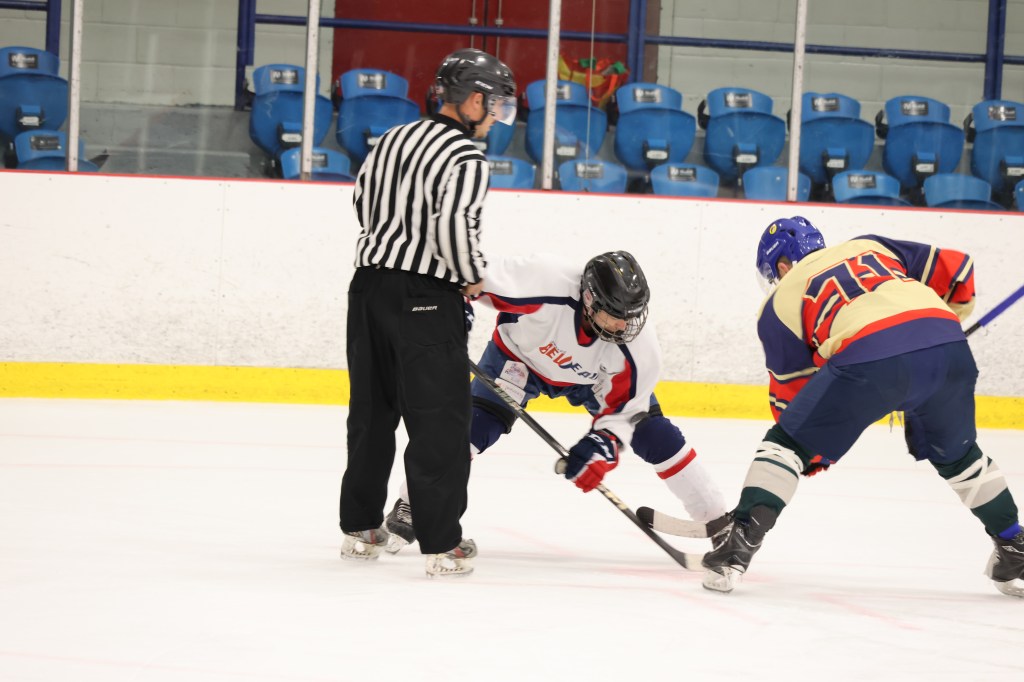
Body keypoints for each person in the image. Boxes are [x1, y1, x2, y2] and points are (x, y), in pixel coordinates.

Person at [701, 216, 1024, 597]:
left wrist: (810, 453)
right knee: (960, 457)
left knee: (783, 446)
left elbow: (793, 398)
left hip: (870, 358)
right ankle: (1014, 547)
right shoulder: (870, 245)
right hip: (950, 348)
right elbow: (958, 271)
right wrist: (942, 326)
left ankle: (737, 546)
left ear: (783, 266)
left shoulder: (776, 306)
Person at [383, 251, 727, 555]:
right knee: (472, 427)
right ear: (589, 300)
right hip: (519, 361)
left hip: (592, 382)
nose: (624, 325)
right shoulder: (544, 280)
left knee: (654, 433)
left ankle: (720, 522)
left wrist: (602, 446)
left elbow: (626, 413)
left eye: (631, 315)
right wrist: (441, 309)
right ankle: (412, 503)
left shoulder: (640, 349)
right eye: (614, 315)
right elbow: (467, 277)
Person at [339, 47, 517, 578]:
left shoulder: (393, 138)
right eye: (496, 105)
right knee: (440, 419)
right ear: (474, 100)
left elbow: (362, 203)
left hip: (367, 289)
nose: (496, 118)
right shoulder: (466, 157)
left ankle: (361, 529)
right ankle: (442, 544)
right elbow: (452, 227)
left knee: (371, 412)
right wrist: (472, 275)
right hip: (426, 296)